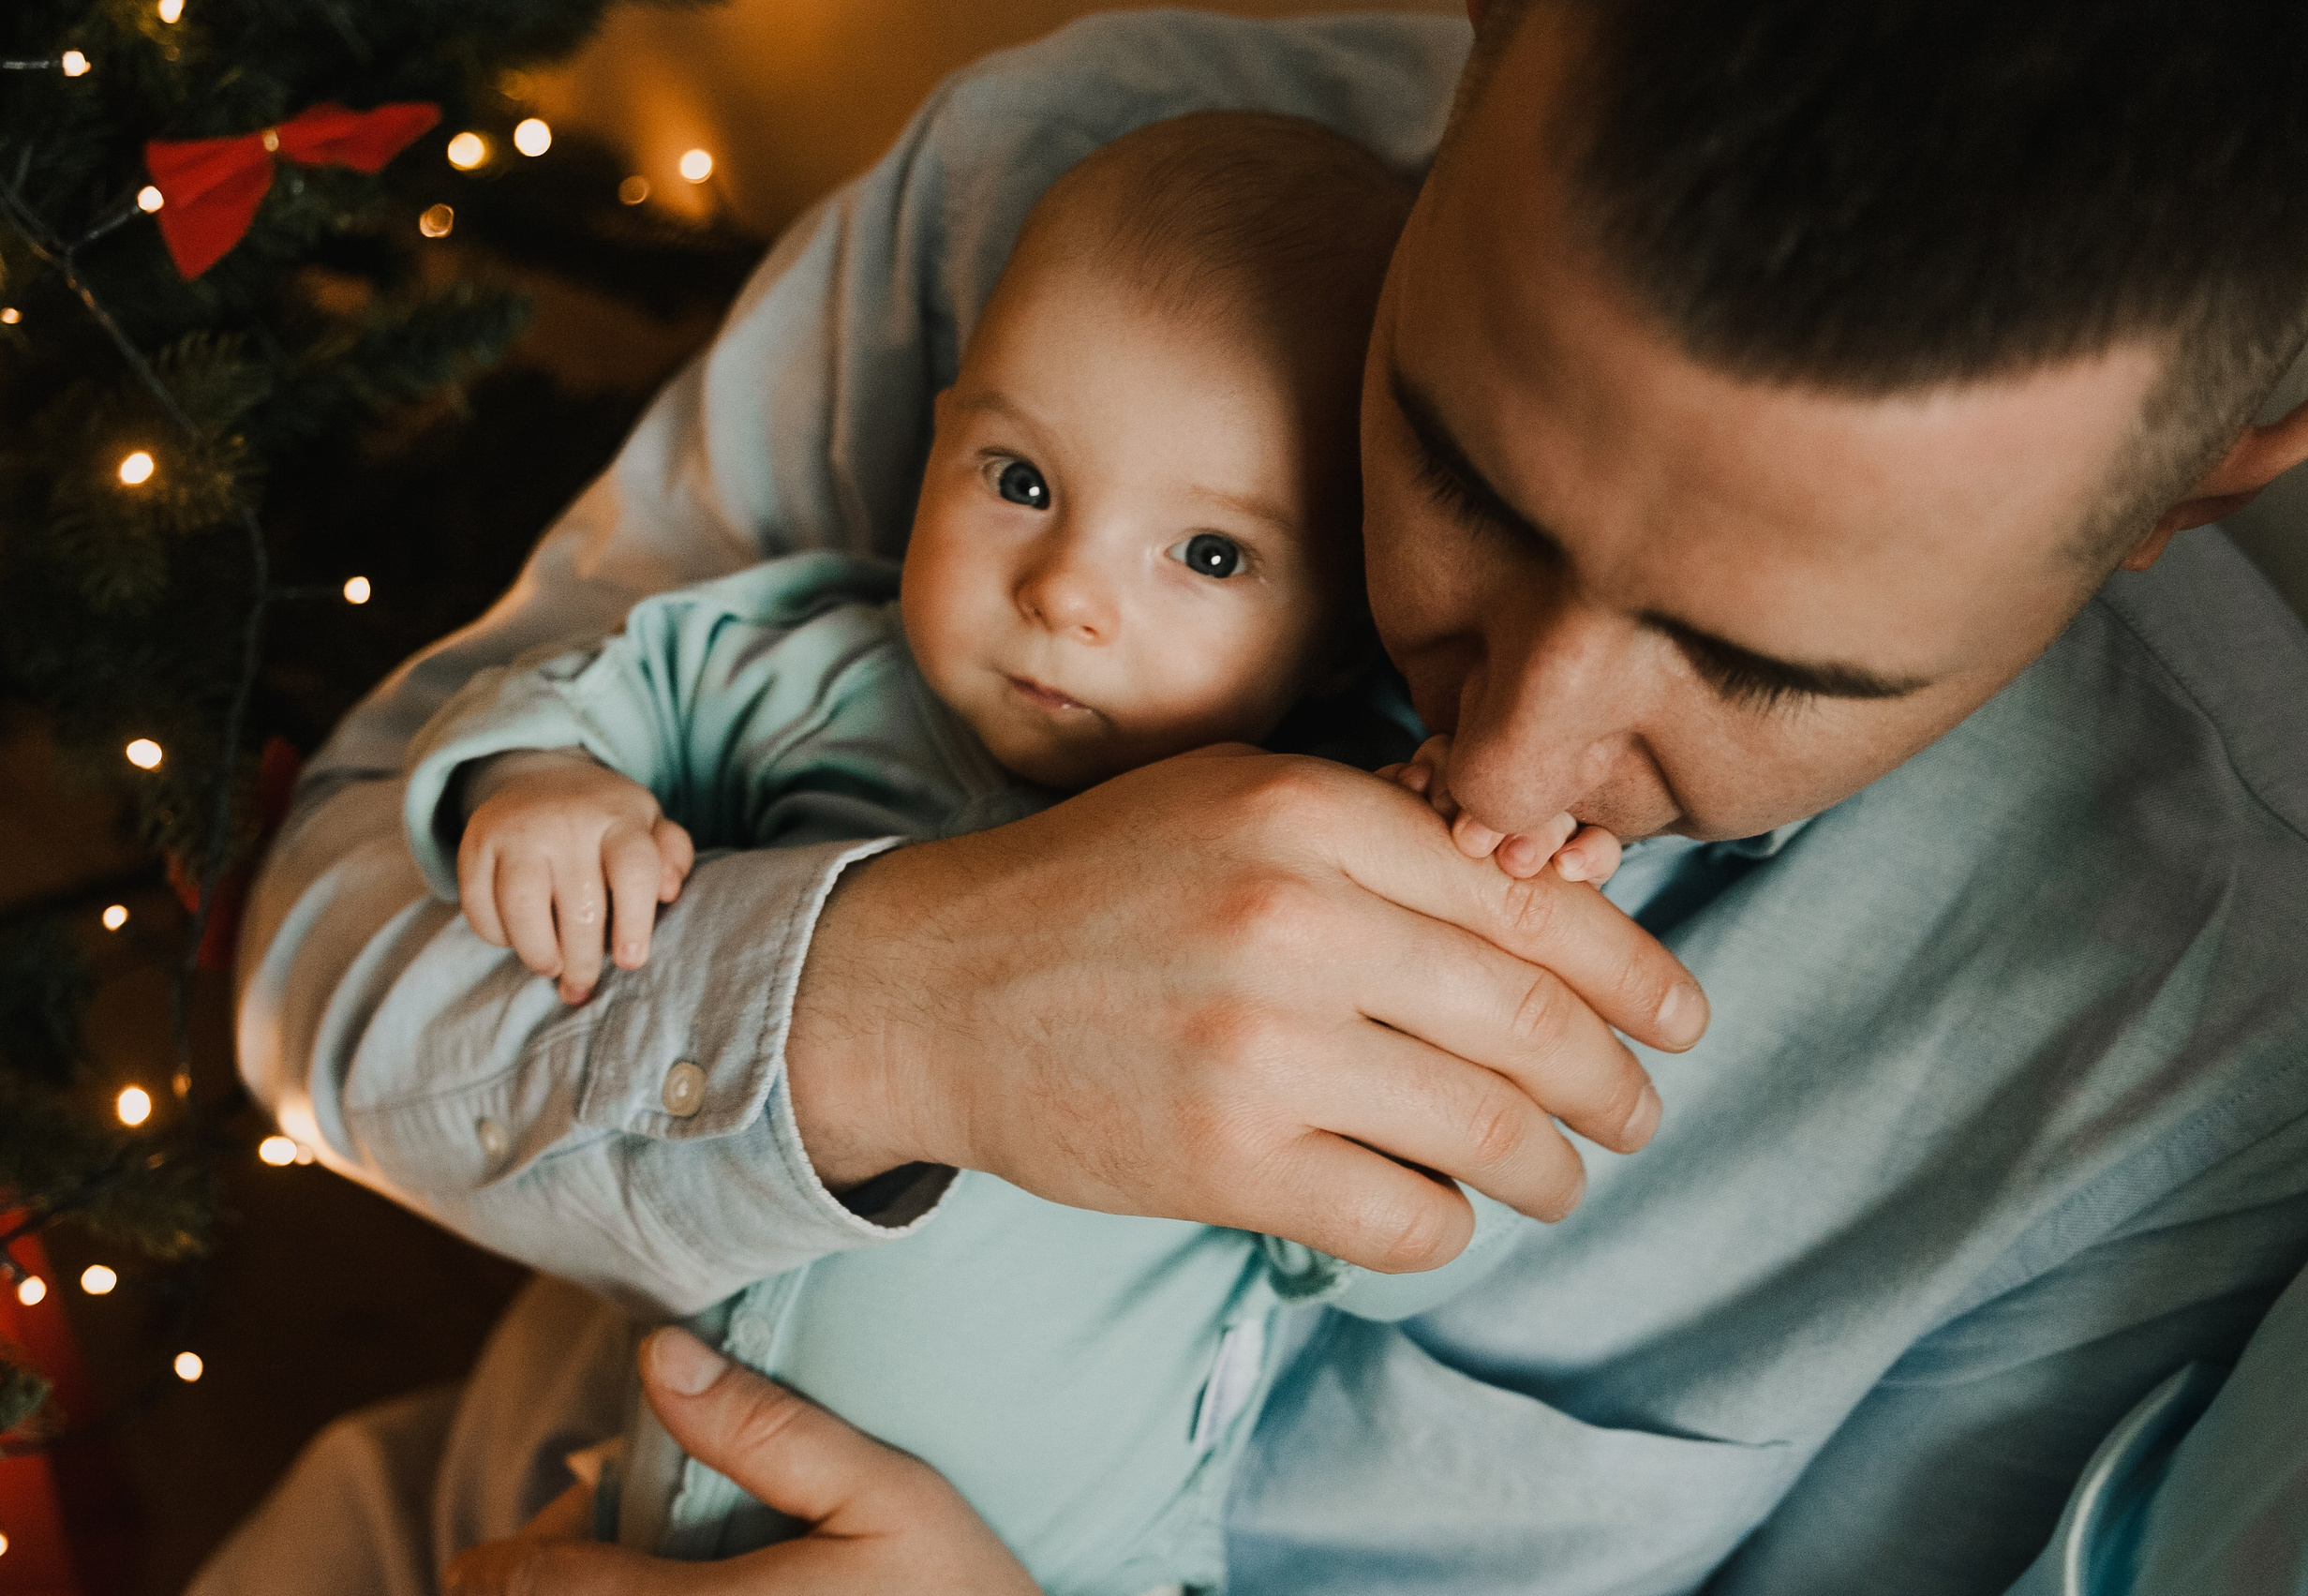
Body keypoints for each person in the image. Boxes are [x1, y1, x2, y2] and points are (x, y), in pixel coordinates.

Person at [214, 3, 2308, 1592]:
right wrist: (895, 1008)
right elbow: (323, 961)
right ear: (1479, 45)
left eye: (1759, 671)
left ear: (2173, 512)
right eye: (1453, 468)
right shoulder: (1092, 191)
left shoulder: (2225, 1050)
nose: (1523, 752)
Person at [395, 112, 1559, 1596]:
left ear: (1340, 622)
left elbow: (1378, 1215)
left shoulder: (1323, 881)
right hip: (652, 1494)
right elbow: (618, 682)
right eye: (1019, 478)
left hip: (1069, 1563)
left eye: (1209, 554)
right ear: (942, 431)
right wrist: (544, 780)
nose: (1067, 588)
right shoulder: (820, 667)